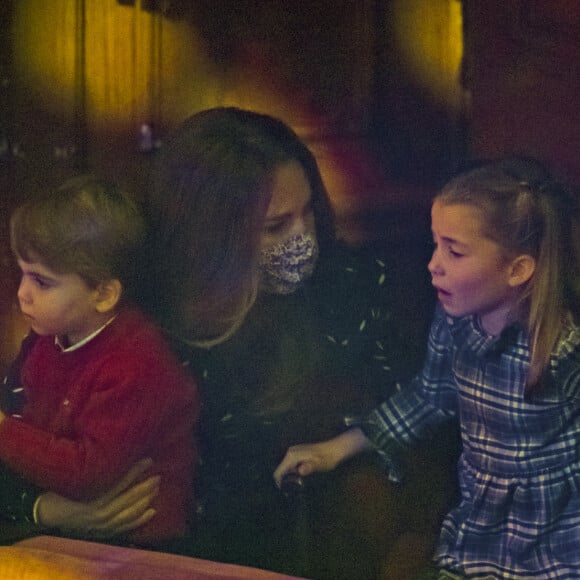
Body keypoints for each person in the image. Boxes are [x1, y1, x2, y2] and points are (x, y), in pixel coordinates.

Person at [0, 109, 458, 579]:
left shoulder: (348, 292)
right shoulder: (120, 316)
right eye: (276, 226)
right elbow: (18, 431)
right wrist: (50, 511)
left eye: (309, 214)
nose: (303, 239)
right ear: (210, 237)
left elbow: (424, 431)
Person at [274, 158, 580, 579]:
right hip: (480, 527)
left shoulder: (566, 348)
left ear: (518, 269)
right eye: (435, 244)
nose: (433, 264)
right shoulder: (454, 321)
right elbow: (430, 396)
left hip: (558, 537)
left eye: (454, 251)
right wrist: (336, 448)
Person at [0, 175, 200, 548]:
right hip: (72, 528)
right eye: (22, 274)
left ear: (104, 294)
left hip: (143, 543)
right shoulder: (49, 338)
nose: (22, 294)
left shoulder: (137, 364)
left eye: (42, 282)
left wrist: (4, 432)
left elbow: (89, 473)